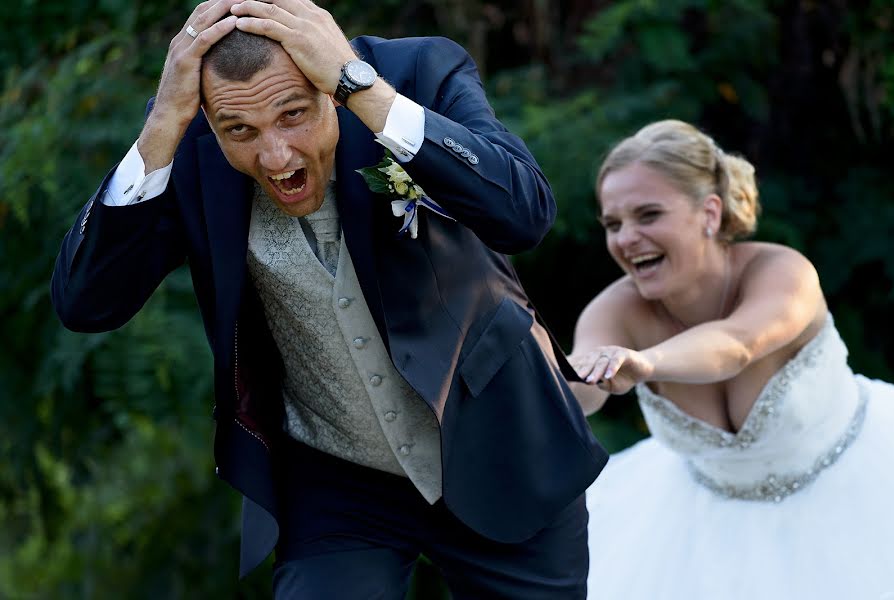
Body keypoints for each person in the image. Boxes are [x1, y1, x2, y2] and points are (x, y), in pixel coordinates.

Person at [51, 0, 609, 597]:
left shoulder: (418, 71)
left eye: (293, 115)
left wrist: (360, 89)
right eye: (240, 131)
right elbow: (87, 303)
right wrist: (163, 122)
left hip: (500, 440)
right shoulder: (187, 134)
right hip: (337, 479)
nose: (276, 156)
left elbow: (523, 213)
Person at [568, 119, 894, 599]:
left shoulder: (782, 272)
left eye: (648, 215)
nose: (626, 239)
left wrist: (646, 362)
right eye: (613, 225)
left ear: (709, 212)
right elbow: (579, 388)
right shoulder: (616, 309)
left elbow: (736, 344)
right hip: (696, 535)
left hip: (863, 497)